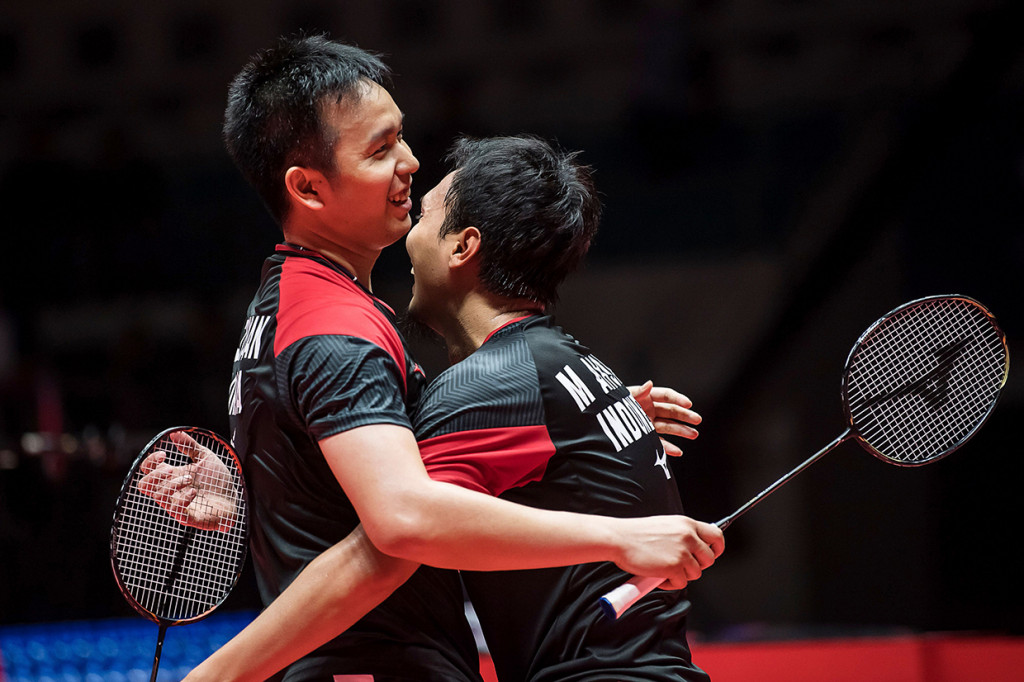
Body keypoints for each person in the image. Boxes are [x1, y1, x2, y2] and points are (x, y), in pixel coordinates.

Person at [139, 35, 721, 681]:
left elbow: (355, 472)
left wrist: (559, 432)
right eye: (381, 148)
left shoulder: (300, 307)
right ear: (307, 188)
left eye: (402, 139)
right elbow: (403, 519)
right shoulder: (334, 325)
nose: (411, 164)